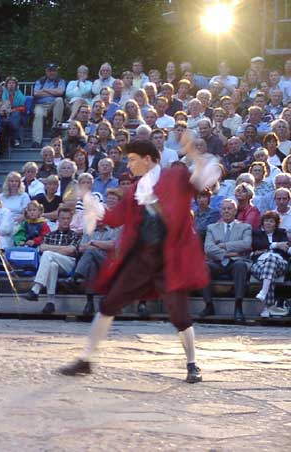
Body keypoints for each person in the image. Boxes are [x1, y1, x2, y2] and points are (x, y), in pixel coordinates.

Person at [58, 139, 220, 384]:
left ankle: (192, 364)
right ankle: (86, 360)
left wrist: (196, 157)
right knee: (108, 304)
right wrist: (92, 206)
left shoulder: (175, 176)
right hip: (141, 259)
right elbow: (114, 218)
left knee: (180, 315)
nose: (129, 164)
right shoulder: (134, 189)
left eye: (133, 159)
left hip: (169, 259)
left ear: (148, 158)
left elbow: (206, 178)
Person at [201, 199, 252, 323]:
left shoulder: (245, 227)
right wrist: (230, 253)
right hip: (217, 262)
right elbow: (208, 248)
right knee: (203, 267)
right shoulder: (212, 228)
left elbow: (246, 244)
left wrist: (223, 245)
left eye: (229, 208)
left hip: (236, 262)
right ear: (220, 211)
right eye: (224, 208)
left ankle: (238, 307)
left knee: (240, 265)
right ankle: (208, 305)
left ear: (235, 211)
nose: (226, 211)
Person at [24, 207, 80, 314]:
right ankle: (50, 302)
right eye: (63, 218)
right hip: (55, 263)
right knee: (52, 265)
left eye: (68, 219)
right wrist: (60, 250)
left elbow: (70, 250)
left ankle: (36, 289)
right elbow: (41, 248)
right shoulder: (50, 234)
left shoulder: (74, 235)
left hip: (68, 263)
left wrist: (51, 249)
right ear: (58, 219)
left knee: (48, 254)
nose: (66, 221)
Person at [250, 211, 290, 318]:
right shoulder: (256, 233)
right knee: (269, 272)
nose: (268, 223)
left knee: (271, 260)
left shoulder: (281, 233)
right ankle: (269, 307)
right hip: (259, 264)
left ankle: (264, 295)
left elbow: (285, 248)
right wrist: (276, 245)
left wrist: (264, 249)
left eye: (271, 221)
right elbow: (256, 244)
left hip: (280, 264)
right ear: (262, 223)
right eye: (266, 221)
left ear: (276, 224)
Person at [32, 64, 65, 147]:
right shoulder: (40, 81)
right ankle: (37, 141)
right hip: (41, 105)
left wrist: (45, 90)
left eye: (54, 70)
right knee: (38, 113)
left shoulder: (60, 81)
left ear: (56, 71)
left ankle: (55, 129)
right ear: (46, 71)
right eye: (50, 70)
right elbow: (36, 93)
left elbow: (60, 92)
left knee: (59, 100)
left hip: (53, 105)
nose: (52, 72)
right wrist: (53, 92)